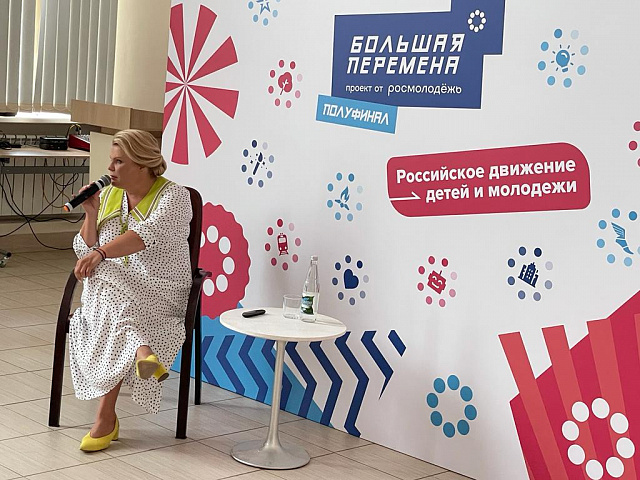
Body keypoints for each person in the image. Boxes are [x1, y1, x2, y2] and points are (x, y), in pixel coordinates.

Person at [70, 129, 192, 452]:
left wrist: (100, 253)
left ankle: (106, 419)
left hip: (160, 289)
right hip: (118, 290)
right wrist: (91, 213)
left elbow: (143, 236)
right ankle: (140, 352)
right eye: (111, 161)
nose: (110, 168)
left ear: (143, 164)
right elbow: (84, 249)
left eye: (119, 162)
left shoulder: (175, 197)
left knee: (104, 280)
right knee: (108, 285)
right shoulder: (111, 194)